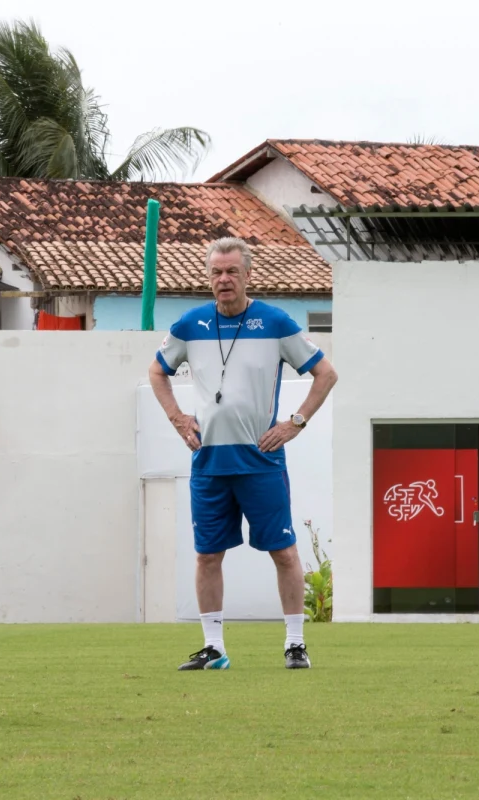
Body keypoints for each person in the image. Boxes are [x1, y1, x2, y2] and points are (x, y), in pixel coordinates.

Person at [149, 237, 337, 671]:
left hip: (260, 459)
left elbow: (326, 373)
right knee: (207, 555)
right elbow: (157, 370)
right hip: (209, 461)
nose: (224, 279)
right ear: (208, 277)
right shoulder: (190, 325)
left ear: (248, 275)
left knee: (284, 552)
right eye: (216, 272)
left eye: (232, 271)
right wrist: (178, 418)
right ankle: (214, 648)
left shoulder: (274, 322)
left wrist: (295, 422)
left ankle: (295, 644)